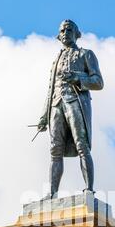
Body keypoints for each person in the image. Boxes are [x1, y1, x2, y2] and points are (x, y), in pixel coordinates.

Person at [38, 19, 104, 198]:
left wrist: (76, 78)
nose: (65, 33)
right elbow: (50, 88)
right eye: (62, 31)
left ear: (76, 33)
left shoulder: (86, 54)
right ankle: (52, 193)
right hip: (56, 104)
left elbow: (98, 82)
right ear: (58, 36)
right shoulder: (56, 60)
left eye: (69, 30)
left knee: (82, 145)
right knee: (55, 149)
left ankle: (89, 190)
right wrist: (44, 116)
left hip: (75, 102)